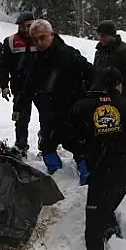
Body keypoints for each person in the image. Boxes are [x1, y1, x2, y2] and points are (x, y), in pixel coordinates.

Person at [68, 67, 126, 250]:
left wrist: (88, 147)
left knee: (95, 211)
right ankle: (108, 228)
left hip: (99, 167)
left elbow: (69, 139)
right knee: (113, 198)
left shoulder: (82, 107)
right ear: (118, 85)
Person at [15, 19, 95, 178]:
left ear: (52, 34)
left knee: (79, 145)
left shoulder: (67, 53)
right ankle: (55, 176)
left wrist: (91, 99)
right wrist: (19, 106)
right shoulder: (35, 58)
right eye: (35, 39)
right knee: (47, 145)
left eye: (42, 37)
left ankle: (87, 180)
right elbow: (27, 85)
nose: (39, 42)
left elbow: (91, 73)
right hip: (48, 110)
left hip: (72, 107)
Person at [0, 12, 37, 156]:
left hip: (41, 87)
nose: (28, 29)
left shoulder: (40, 39)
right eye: (25, 26)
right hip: (20, 88)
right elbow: (3, 66)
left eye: (30, 25)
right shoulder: (10, 41)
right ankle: (21, 145)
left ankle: (47, 146)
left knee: (48, 117)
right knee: (20, 118)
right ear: (19, 26)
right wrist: (3, 86)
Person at [93, 20, 126, 95]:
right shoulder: (99, 51)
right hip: (101, 95)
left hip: (120, 96)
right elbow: (96, 73)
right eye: (99, 35)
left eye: (103, 36)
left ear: (112, 36)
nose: (100, 39)